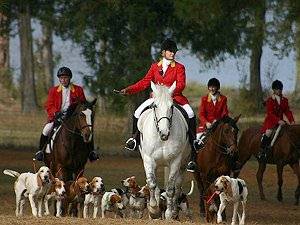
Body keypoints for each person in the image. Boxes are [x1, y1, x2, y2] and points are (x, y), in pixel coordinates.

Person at [119, 39, 197, 172]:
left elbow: (181, 84)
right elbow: (144, 82)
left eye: (174, 51)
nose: (172, 53)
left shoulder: (179, 67)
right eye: (170, 51)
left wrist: (168, 92)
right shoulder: (155, 67)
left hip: (174, 97)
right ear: (163, 52)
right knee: (137, 112)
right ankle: (134, 139)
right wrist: (129, 89)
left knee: (190, 113)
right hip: (156, 98)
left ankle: (194, 142)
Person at [34, 66, 99, 162]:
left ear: (69, 78)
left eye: (65, 78)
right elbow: (49, 105)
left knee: (87, 130)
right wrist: (56, 113)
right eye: (61, 78)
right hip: (58, 117)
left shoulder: (78, 90)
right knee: (46, 129)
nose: (63, 80)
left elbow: (83, 104)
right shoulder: (54, 90)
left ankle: (91, 152)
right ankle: (41, 152)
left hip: (73, 118)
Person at [258, 80, 295, 162]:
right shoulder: (270, 100)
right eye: (277, 89)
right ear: (274, 90)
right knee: (268, 133)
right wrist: (278, 121)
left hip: (281, 122)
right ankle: (262, 151)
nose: (279, 91)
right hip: (271, 122)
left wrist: (291, 120)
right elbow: (270, 113)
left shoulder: (284, 100)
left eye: (280, 89)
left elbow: (287, 111)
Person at [194, 78, 229, 150]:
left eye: (214, 87)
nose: (212, 89)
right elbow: (201, 114)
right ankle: (193, 159)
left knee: (229, 140)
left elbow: (225, 113)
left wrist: (218, 121)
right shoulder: (204, 99)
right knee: (196, 140)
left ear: (217, 88)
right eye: (210, 87)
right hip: (206, 126)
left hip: (219, 125)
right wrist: (206, 123)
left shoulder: (223, 99)